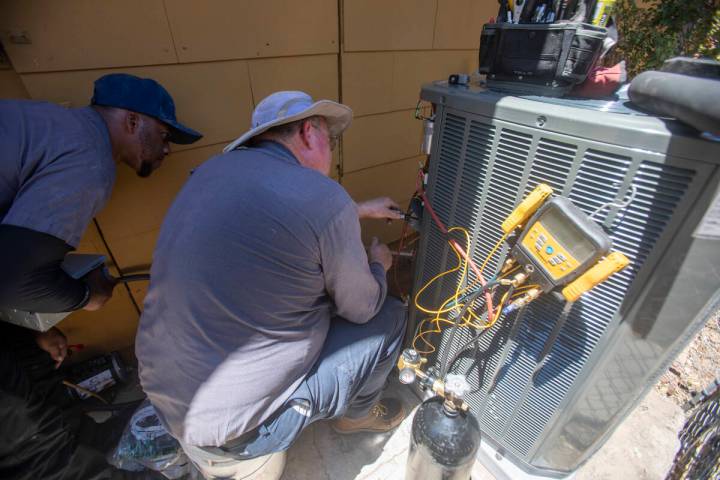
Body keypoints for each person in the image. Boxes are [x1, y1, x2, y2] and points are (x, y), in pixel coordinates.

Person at [136, 91, 409, 478]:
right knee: (390, 314)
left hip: (164, 392)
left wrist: (356, 210)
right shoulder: (323, 197)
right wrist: (379, 267)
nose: (330, 153)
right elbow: (360, 307)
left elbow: (269, 224)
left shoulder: (210, 172)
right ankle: (357, 416)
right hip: (236, 432)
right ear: (309, 132)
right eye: (331, 142)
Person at [0, 73, 202, 480]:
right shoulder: (90, 160)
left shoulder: (48, 126)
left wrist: (32, 332)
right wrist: (83, 297)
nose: (165, 150)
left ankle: (95, 439)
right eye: (162, 135)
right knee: (32, 447)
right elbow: (14, 280)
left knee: (33, 362)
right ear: (130, 121)